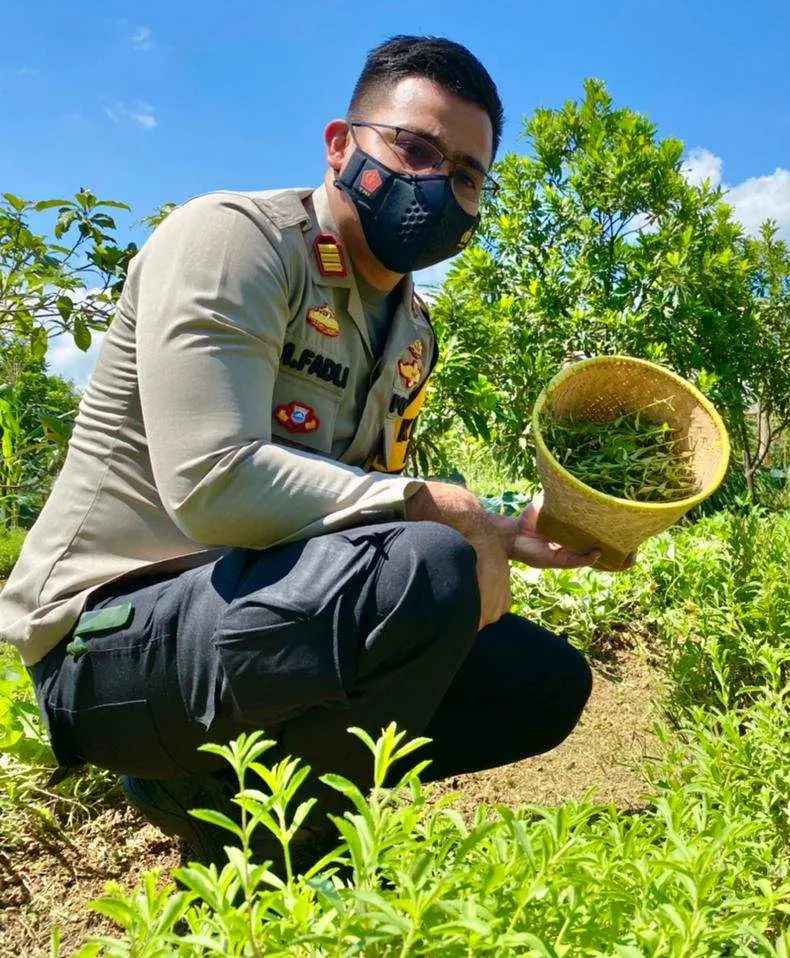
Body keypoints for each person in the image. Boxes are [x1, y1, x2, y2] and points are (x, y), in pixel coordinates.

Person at [0, 35, 608, 864]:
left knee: (542, 683)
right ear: (340, 145)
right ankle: (277, 849)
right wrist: (442, 509)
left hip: (251, 620)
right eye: (415, 149)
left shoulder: (412, 331)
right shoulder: (235, 241)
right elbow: (212, 483)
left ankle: (243, 794)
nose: (439, 184)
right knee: (428, 568)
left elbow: (356, 511)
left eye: (467, 175)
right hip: (107, 642)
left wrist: (499, 533)